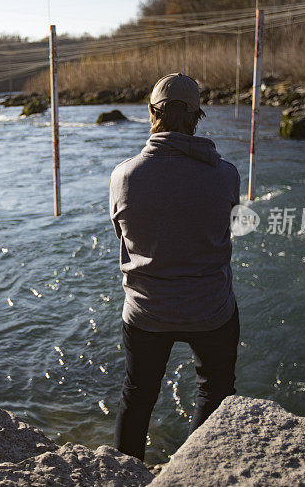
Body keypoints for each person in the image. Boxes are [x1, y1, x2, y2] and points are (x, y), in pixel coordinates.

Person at [110, 73, 241, 461]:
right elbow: (223, 225)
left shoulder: (124, 175)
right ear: (197, 115)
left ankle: (126, 473)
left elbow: (123, 232)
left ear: (151, 112)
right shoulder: (226, 173)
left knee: (137, 394)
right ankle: (196, 470)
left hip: (147, 309)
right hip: (211, 308)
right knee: (215, 388)